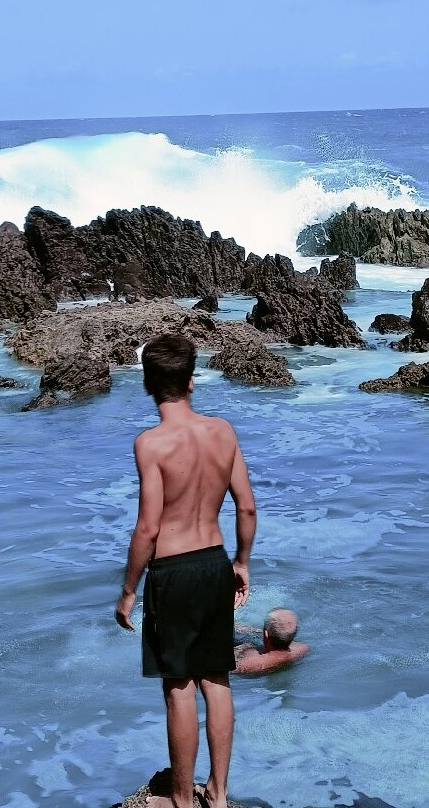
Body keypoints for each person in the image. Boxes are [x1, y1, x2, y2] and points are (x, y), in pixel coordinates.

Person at [115, 333, 256, 808]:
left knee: (179, 688)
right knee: (216, 678)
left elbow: (148, 527)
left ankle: (180, 798)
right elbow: (248, 508)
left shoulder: (150, 444)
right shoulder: (224, 432)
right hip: (214, 564)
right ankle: (217, 794)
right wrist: (240, 562)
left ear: (148, 385)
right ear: (192, 382)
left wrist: (129, 590)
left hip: (172, 572)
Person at [233, 608, 309, 675]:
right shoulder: (302, 649)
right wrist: (251, 630)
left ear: (266, 634)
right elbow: (284, 634)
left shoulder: (246, 664)